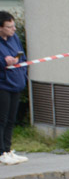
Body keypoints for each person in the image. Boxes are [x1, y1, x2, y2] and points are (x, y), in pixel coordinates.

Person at [0, 11, 29, 165]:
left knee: (11, 119)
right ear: (0, 28)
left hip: (16, 83)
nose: (13, 29)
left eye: (14, 26)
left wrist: (17, 61)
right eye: (9, 27)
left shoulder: (14, 38)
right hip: (3, 84)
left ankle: (8, 149)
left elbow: (21, 56)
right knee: (2, 119)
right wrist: (4, 61)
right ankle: (1, 152)